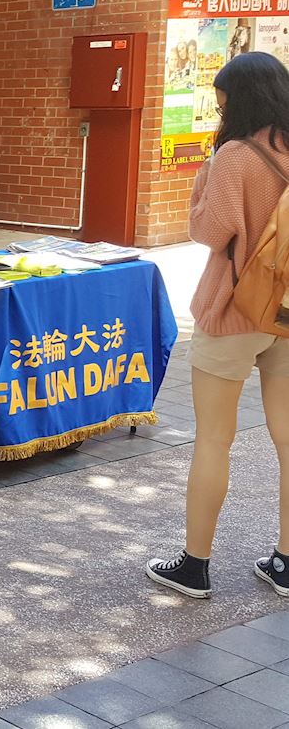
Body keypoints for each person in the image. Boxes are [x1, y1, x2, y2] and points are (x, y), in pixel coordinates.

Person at [147, 51, 289, 600]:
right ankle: (285, 561)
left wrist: (207, 172)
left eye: (222, 98)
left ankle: (195, 566)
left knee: (213, 439)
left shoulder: (236, 156)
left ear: (239, 99)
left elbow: (210, 231)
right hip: (286, 312)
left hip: (234, 309)